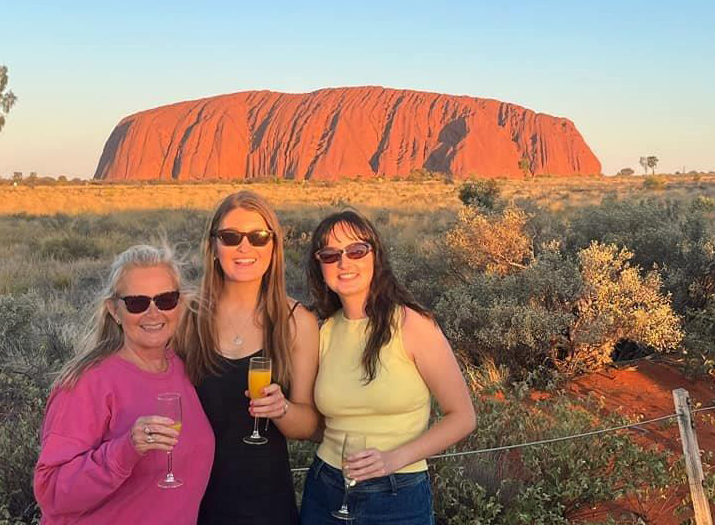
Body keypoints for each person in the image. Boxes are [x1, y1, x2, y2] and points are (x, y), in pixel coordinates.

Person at [300, 210, 476, 525]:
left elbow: (463, 417)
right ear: (320, 266)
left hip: (398, 495)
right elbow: (317, 423)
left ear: (375, 255)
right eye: (330, 255)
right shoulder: (322, 331)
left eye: (356, 250)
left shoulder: (412, 324)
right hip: (325, 489)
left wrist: (393, 459)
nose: (344, 262)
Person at [34, 244, 214, 524]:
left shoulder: (180, 367)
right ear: (114, 311)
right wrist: (125, 449)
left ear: (179, 305)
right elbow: (50, 490)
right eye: (137, 303)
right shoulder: (89, 382)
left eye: (165, 299)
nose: (153, 313)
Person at [175, 191, 319, 525]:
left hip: (265, 504)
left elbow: (310, 423)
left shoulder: (297, 322)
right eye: (230, 237)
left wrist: (281, 409)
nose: (244, 248)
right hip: (191, 500)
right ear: (213, 246)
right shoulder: (187, 314)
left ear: (273, 246)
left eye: (258, 237)